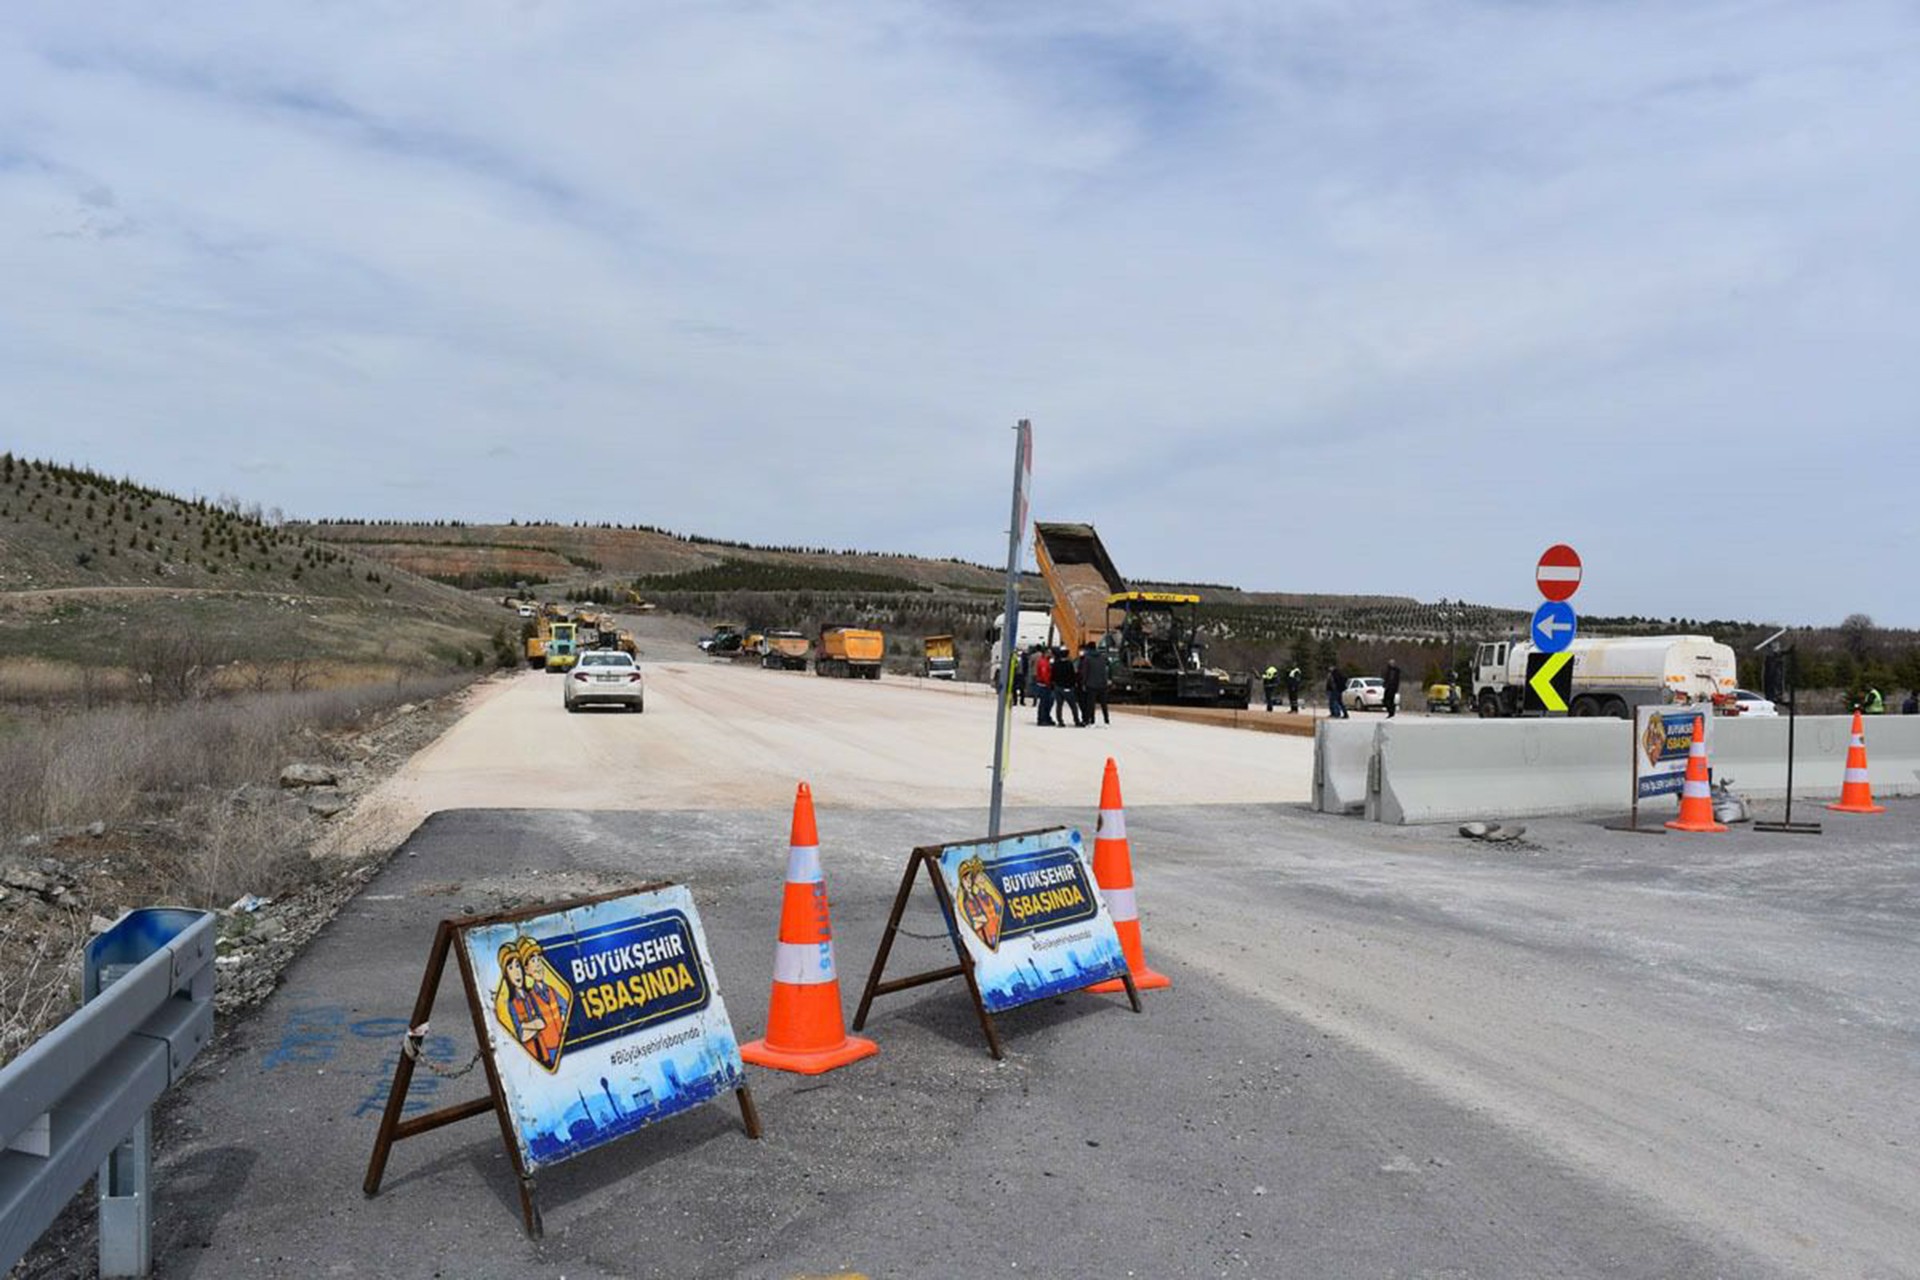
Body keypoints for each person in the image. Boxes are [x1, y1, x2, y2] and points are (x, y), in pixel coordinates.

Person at [1080, 643, 1111, 726]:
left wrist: (1083, 683)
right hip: (1102, 683)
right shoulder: (1103, 657)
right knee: (1103, 703)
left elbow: (1085, 672)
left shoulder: (1087, 659)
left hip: (1091, 684)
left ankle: (1092, 721)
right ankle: (1106, 720)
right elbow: (1108, 667)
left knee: (1091, 704)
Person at [1052, 646, 1082, 725]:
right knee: (1073, 706)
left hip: (1058, 687)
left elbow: (1053, 675)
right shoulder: (1069, 664)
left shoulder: (1056, 663)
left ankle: (1060, 721)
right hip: (1068, 687)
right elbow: (1072, 675)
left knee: (1059, 705)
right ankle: (1076, 720)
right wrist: (1073, 684)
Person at [1033, 646, 1055, 726]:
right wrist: (1048, 683)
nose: (1051, 654)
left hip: (1045, 684)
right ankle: (1042, 719)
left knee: (1047, 702)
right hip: (1044, 685)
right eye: (1049, 652)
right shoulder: (1043, 662)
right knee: (1044, 702)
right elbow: (1044, 674)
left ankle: (1045, 717)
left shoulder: (1047, 661)